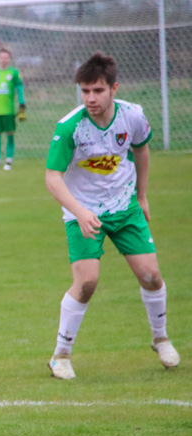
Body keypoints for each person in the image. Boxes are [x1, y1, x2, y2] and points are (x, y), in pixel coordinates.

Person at [45, 52, 180, 379]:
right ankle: (60, 355)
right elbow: (52, 177)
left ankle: (160, 338)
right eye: (85, 91)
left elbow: (141, 149)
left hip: (125, 208)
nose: (90, 98)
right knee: (87, 281)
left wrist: (142, 196)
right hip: (83, 212)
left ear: (113, 88)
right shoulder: (69, 127)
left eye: (97, 91)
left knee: (151, 276)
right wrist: (80, 212)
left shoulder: (132, 116)